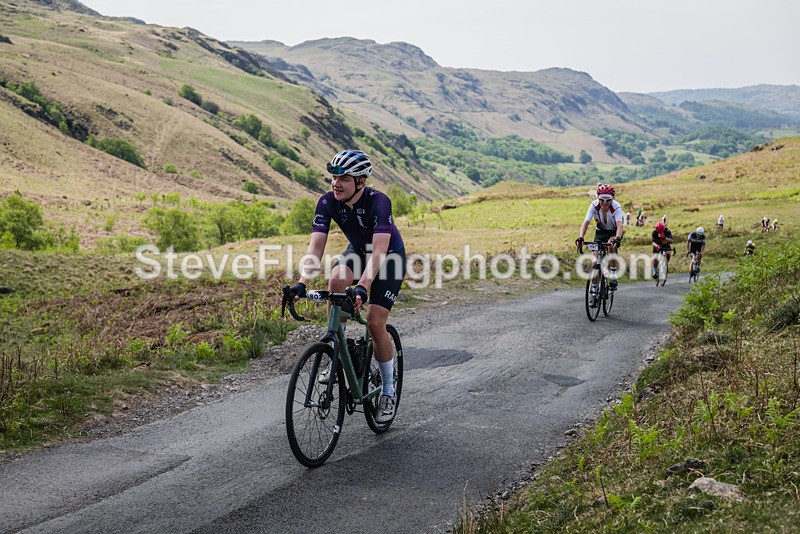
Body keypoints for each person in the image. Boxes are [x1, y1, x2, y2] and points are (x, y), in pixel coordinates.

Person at [288, 149, 406, 424]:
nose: (335, 183)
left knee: (375, 324)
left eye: (343, 178)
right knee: (336, 280)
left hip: (388, 258)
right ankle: (337, 351)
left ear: (361, 182)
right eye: (333, 177)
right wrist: (302, 282)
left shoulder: (379, 202)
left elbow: (378, 252)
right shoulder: (328, 202)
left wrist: (364, 286)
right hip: (357, 251)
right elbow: (315, 247)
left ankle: (387, 390)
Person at [575, 184, 624, 305]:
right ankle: (594, 290)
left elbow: (620, 225)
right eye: (602, 200)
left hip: (613, 232)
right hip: (600, 232)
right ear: (598, 198)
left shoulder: (616, 207)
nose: (605, 203)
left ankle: (613, 274)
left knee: (611, 245)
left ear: (612, 199)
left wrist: (617, 239)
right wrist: (581, 237)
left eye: (608, 200)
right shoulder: (594, 205)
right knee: (595, 261)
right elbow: (586, 223)